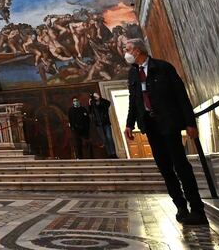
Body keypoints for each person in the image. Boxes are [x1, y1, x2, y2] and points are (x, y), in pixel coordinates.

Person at [123, 38, 207, 225]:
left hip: (168, 122)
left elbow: (180, 95)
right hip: (150, 126)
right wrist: (129, 124)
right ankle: (180, 206)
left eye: (127, 49)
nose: (125, 52)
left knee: (181, 165)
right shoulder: (133, 74)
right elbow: (134, 101)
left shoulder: (163, 68)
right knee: (165, 168)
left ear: (137, 51)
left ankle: (197, 208)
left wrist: (190, 123)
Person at [89, 91, 117, 158]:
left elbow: (108, 103)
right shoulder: (93, 104)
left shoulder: (103, 102)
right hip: (98, 124)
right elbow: (90, 112)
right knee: (104, 139)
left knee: (109, 138)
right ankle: (109, 154)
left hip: (106, 123)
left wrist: (100, 98)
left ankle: (113, 153)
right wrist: (89, 104)